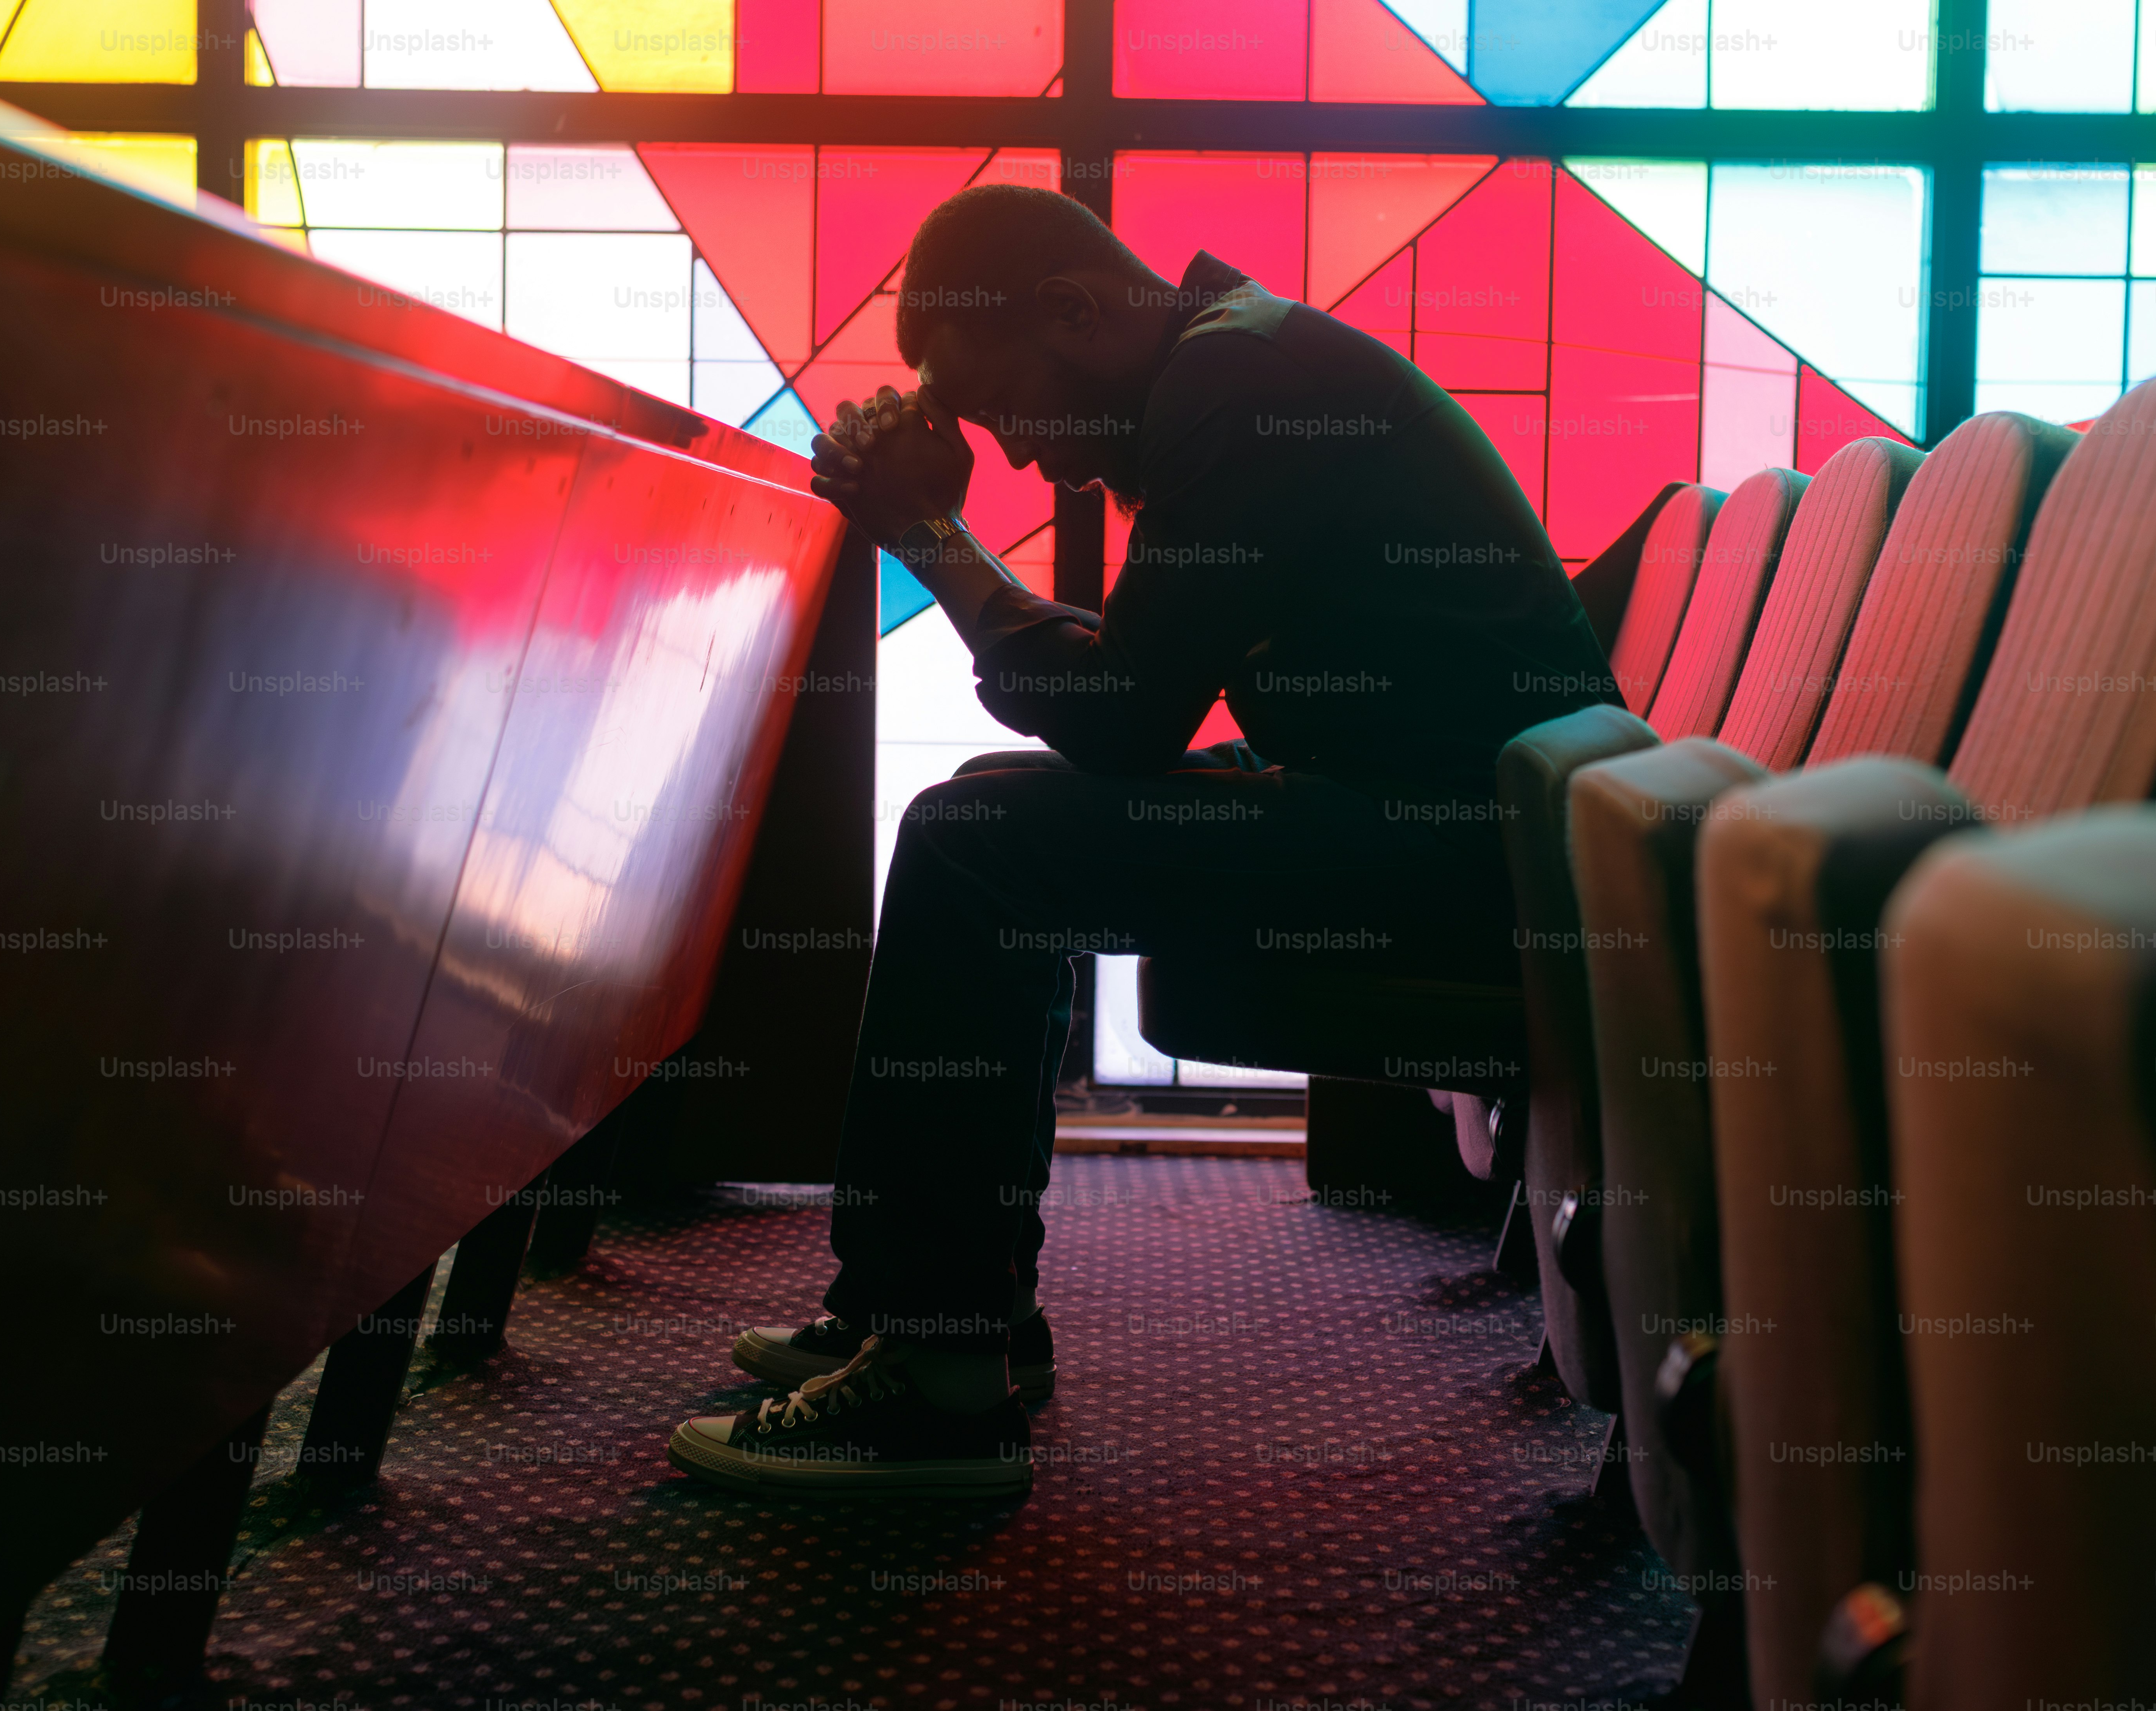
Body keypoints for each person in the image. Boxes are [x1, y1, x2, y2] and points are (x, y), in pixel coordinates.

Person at [667, 184, 1618, 1498]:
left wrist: (931, 536)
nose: (1023, 461)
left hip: (1457, 850)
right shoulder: (1238, 357)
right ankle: (938, 1306)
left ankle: (938, 1373)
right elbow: (1135, 700)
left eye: (1010, 416)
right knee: (990, 803)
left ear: (1071, 311)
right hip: (1456, 817)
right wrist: (943, 531)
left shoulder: (1236, 386)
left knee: (973, 841)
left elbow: (1119, 719)